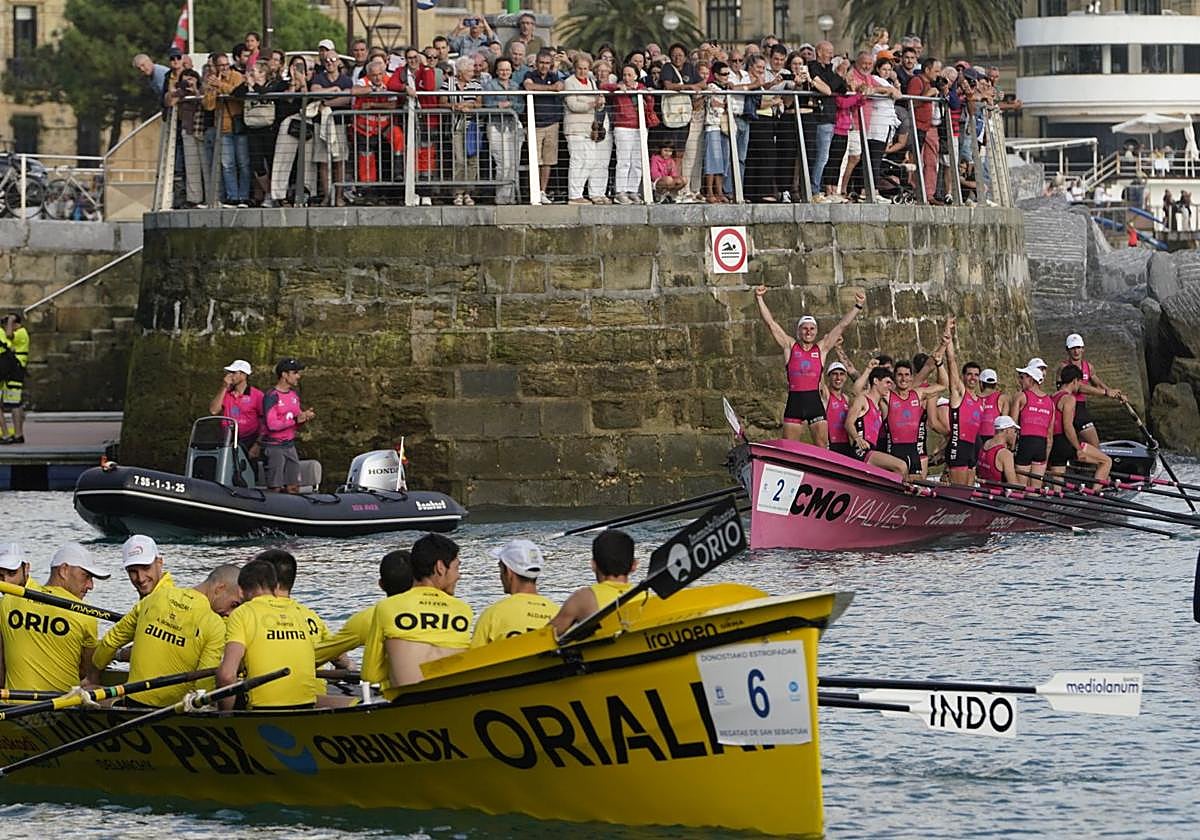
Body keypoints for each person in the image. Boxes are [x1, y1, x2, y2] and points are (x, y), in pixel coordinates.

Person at [87, 564, 240, 707]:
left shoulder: (155, 597)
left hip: (132, 702)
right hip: (171, 712)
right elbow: (203, 685)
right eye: (234, 604)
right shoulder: (216, 625)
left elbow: (111, 641)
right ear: (220, 588)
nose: (230, 613)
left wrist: (92, 676)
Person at [755, 286, 867, 445]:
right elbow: (771, 324)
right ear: (799, 331)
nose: (808, 332)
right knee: (790, 449)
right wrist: (759, 298)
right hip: (795, 403)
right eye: (805, 329)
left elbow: (842, 326)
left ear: (816, 331)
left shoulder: (821, 349)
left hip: (814, 403)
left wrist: (858, 306)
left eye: (812, 329)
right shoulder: (790, 346)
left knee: (822, 446)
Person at [362, 533, 472, 695]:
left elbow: (370, 675)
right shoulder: (463, 610)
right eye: (456, 568)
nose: (458, 576)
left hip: (408, 701)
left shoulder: (388, 607)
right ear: (440, 567)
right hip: (453, 698)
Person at [0, 542, 110, 691]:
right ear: (64, 570)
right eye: (86, 576)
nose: (90, 585)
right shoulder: (86, 613)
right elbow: (87, 671)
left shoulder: (6, 602)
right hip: (65, 704)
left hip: (13, 703)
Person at [217, 559, 317, 710]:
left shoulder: (242, 613)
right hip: (308, 706)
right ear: (276, 587)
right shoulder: (302, 612)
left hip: (262, 710)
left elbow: (226, 676)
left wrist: (223, 715)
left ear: (240, 591)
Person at [314, 549, 413, 665]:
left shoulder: (367, 619)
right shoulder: (432, 609)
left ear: (381, 585)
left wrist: (347, 664)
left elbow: (316, 655)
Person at [549, 529, 636, 636]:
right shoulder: (647, 597)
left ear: (593, 565)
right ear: (634, 565)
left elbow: (545, 636)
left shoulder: (583, 598)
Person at [471, 540, 558, 646]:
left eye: (500, 568)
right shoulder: (558, 614)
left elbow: (475, 654)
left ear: (508, 571)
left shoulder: (493, 615)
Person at [1048, 364, 1114, 488]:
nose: (1079, 386)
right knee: (1106, 461)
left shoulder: (1051, 397)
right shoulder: (1069, 399)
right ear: (1074, 381)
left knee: (1058, 482)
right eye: (1079, 383)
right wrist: (1078, 449)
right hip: (1066, 443)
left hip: (1054, 445)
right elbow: (1068, 427)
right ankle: (1095, 494)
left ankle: (1057, 497)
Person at [885, 353, 946, 475]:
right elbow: (861, 392)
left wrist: (940, 364)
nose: (903, 379)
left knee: (917, 485)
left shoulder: (918, 394)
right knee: (897, 485)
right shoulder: (887, 395)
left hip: (914, 451)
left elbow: (943, 385)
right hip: (894, 451)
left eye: (907, 375)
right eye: (900, 375)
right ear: (894, 377)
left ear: (912, 377)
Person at [1060, 332, 1123, 449]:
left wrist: (1116, 394)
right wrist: (1105, 393)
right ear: (1067, 350)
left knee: (1084, 445)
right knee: (1095, 446)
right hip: (1068, 406)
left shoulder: (1088, 367)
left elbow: (1098, 383)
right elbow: (1079, 387)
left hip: (1080, 407)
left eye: (1078, 348)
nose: (1076, 351)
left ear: (1083, 349)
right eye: (1073, 348)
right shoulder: (1064, 368)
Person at [261, 357, 314, 493]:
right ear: (284, 375)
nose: (298, 376)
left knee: (294, 486)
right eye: (295, 373)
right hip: (274, 447)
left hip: (289, 446)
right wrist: (295, 420)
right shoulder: (272, 396)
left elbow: (296, 419)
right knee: (275, 487)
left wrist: (305, 417)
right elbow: (271, 425)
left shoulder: (294, 395)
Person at [845, 367, 909, 478]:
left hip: (872, 450)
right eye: (887, 382)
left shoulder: (881, 408)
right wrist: (857, 438)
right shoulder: (862, 399)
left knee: (901, 469)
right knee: (901, 466)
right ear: (875, 381)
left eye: (891, 384)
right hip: (861, 451)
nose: (890, 387)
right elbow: (848, 423)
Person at [942, 319, 983, 486]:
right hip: (958, 446)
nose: (973, 378)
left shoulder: (979, 401)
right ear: (964, 376)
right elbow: (951, 362)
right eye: (969, 374)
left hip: (972, 447)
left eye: (976, 375)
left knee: (970, 491)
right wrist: (948, 338)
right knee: (960, 492)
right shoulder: (959, 393)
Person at [523, 50, 565, 204]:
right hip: (535, 124)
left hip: (552, 123)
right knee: (535, 159)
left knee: (548, 160)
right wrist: (550, 88)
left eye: (547, 63)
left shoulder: (553, 76)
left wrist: (551, 87)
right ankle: (533, 191)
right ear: (536, 63)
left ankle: (542, 191)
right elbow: (529, 86)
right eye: (541, 62)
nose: (544, 66)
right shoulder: (530, 74)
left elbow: (560, 86)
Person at [1010, 360, 1055, 488]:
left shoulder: (1021, 396)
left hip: (1025, 444)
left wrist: (1011, 450)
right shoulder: (1050, 402)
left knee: (1020, 487)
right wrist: (1045, 459)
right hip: (1041, 446)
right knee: (1035, 488)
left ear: (1031, 379)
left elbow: (1011, 427)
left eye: (1022, 377)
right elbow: (1050, 436)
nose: (1020, 381)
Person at [209, 359, 264, 457]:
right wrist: (224, 387)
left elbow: (265, 422)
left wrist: (257, 444)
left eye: (234, 373)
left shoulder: (257, 395)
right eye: (229, 373)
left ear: (243, 375)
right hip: (227, 439)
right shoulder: (226, 393)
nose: (230, 376)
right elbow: (213, 410)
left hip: (249, 440)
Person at [0, 313, 29, 444]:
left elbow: (8, 335)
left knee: (14, 403)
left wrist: (10, 321)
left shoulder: (21, 333)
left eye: (10, 324)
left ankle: (17, 434)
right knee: (15, 403)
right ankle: (18, 433)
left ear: (16, 324)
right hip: (13, 370)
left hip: (16, 370)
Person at [120, 534, 173, 600]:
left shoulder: (168, 602)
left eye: (146, 568)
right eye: (133, 571)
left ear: (159, 562)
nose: (141, 579)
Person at [976, 415, 1021, 486]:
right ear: (1007, 430)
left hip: (982, 489)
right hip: (997, 492)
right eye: (1015, 431)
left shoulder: (986, 444)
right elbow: (1014, 486)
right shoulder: (1005, 454)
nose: (1015, 434)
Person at [976, 368, 1007, 441]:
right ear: (995, 384)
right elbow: (1005, 423)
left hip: (976, 437)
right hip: (994, 437)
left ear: (981, 383)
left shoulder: (974, 398)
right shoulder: (1002, 399)